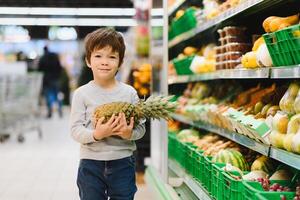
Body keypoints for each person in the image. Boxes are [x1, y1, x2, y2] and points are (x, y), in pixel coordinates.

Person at [70, 28, 146, 200]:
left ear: (120, 62)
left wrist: (129, 134)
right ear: (88, 60)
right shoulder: (81, 94)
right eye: (98, 56)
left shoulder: (129, 93)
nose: (104, 62)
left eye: (112, 57)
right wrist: (97, 134)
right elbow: (75, 130)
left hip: (123, 162)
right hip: (90, 164)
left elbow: (141, 128)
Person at [38, 46, 63, 118]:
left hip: (46, 81)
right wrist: (58, 76)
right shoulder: (55, 57)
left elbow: (39, 69)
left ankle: (50, 112)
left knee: (48, 96)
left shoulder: (43, 58)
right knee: (58, 95)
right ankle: (60, 111)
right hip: (56, 79)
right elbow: (60, 68)